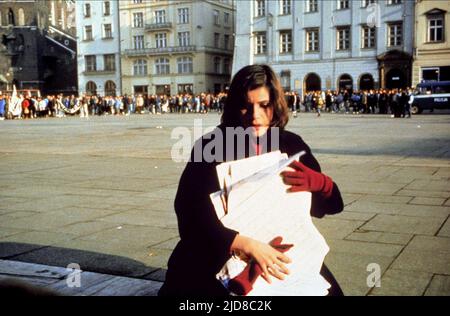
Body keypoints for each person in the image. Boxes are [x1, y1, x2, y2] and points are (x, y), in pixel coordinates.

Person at [159, 64, 344, 296]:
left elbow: (329, 206)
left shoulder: (291, 144)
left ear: (275, 105)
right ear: (235, 107)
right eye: (246, 107)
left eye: (264, 105)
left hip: (279, 249)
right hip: (221, 251)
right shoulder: (211, 146)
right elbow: (190, 216)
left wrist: (323, 185)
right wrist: (246, 244)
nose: (255, 116)